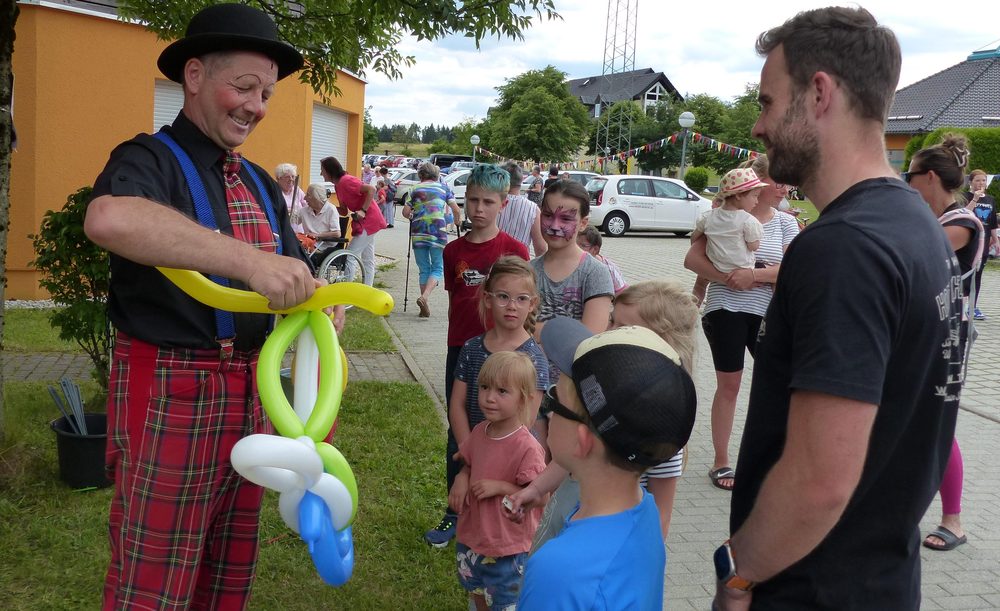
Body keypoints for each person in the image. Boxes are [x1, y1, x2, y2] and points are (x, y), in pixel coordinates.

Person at [714, 8, 963, 610]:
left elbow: (820, 480)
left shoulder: (844, 248)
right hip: (881, 577)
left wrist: (739, 575)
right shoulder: (916, 227)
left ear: (819, 93)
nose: (756, 126)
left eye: (769, 103)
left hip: (812, 587)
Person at [83, 4, 313, 608]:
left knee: (227, 575)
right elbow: (109, 217)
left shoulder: (262, 182)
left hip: (253, 400)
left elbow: (297, 275)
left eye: (265, 93)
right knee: (152, 587)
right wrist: (252, 263)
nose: (257, 106)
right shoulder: (148, 159)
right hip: (172, 401)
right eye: (243, 87)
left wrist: (316, 310)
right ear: (193, 76)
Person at [516, 318, 697, 609]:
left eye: (554, 400)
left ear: (583, 440)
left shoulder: (559, 571)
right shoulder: (644, 512)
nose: (546, 413)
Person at [425, 164, 529, 547]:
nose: (479, 209)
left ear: (503, 203)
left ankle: (503, 505)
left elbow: (523, 302)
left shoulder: (514, 250)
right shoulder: (453, 250)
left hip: (503, 353)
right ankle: (456, 510)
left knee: (504, 429)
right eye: (472, 200)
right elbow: (457, 300)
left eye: (488, 202)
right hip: (462, 350)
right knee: (460, 430)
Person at [684, 154, 798, 492]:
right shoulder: (723, 217)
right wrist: (728, 278)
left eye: (785, 182)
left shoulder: (785, 223)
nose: (784, 188)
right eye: (777, 181)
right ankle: (721, 461)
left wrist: (754, 275)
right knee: (729, 385)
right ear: (756, 185)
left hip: (769, 314)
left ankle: (775, 459)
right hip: (726, 310)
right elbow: (692, 258)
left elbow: (793, 268)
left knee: (777, 385)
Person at [907, 134, 984, 552]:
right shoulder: (935, 221)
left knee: (938, 425)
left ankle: (953, 520)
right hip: (919, 335)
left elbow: (912, 256)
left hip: (947, 340)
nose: (906, 184)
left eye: (910, 176)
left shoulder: (960, 226)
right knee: (909, 421)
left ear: (930, 177)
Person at [451, 351, 547, 611]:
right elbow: (469, 462)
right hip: (474, 536)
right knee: (477, 592)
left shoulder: (527, 447)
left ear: (523, 399)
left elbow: (540, 496)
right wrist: (462, 476)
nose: (489, 397)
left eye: (502, 391)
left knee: (505, 601)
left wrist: (501, 487)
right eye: (484, 387)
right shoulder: (480, 430)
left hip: (507, 545)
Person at [610, 280, 700, 538]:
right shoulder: (605, 387)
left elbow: (662, 514)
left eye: (624, 328)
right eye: (611, 321)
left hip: (625, 546)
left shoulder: (662, 419)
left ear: (661, 341)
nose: (610, 332)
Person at [450, 256, 549, 465]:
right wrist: (469, 452)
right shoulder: (472, 348)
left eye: (521, 299)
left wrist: (488, 457)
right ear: (487, 299)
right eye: (503, 296)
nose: (512, 306)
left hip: (509, 460)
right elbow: (457, 405)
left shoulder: (534, 358)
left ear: (532, 304)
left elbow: (526, 420)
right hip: (468, 452)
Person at [320, 156, 386, 284]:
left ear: (329, 171)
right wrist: (326, 206)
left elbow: (371, 189)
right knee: (368, 259)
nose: (321, 173)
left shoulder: (346, 181)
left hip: (369, 220)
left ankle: (346, 294)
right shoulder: (338, 186)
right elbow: (343, 211)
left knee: (350, 255)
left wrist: (363, 210)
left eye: (322, 170)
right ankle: (367, 293)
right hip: (364, 222)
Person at [692, 167, 766, 276]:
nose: (757, 201)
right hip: (744, 270)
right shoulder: (748, 221)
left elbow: (694, 238)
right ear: (738, 195)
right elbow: (753, 247)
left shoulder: (707, 217)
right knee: (773, 273)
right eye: (755, 196)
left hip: (716, 268)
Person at [401, 162, 451, 318]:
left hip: (419, 232)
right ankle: (425, 297)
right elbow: (454, 209)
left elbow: (405, 212)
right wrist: (456, 220)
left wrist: (412, 216)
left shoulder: (413, 189)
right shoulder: (444, 189)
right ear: (436, 175)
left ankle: (424, 304)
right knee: (438, 267)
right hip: (438, 232)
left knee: (424, 268)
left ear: (420, 175)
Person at [964, 169, 997, 320]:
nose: (981, 183)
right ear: (970, 182)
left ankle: (973, 307)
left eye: (983, 180)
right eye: (977, 180)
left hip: (983, 243)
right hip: (969, 241)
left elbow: (992, 223)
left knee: (977, 276)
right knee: (965, 274)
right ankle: (960, 306)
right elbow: (963, 214)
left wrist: (996, 240)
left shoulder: (990, 200)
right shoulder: (964, 197)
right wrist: (975, 200)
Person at [497, 161, 548, 256]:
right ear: (520, 181)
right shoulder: (533, 209)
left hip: (491, 262)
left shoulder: (492, 203)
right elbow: (541, 248)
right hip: (520, 264)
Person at [299, 182, 343, 267]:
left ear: (316, 198)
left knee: (297, 250)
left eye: (308, 195)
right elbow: (292, 220)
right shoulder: (304, 211)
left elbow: (337, 233)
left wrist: (317, 235)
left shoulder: (331, 210)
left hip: (323, 245)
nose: (304, 198)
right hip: (307, 243)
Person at [576, 225, 627, 295]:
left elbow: (623, 293)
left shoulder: (609, 268)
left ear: (595, 250)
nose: (577, 249)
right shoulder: (570, 264)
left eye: (583, 246)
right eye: (575, 245)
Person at [275, 162, 306, 233]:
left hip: (300, 231)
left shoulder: (297, 190)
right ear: (278, 178)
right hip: (283, 231)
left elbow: (307, 206)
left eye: (293, 176)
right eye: (287, 177)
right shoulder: (275, 192)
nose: (291, 179)